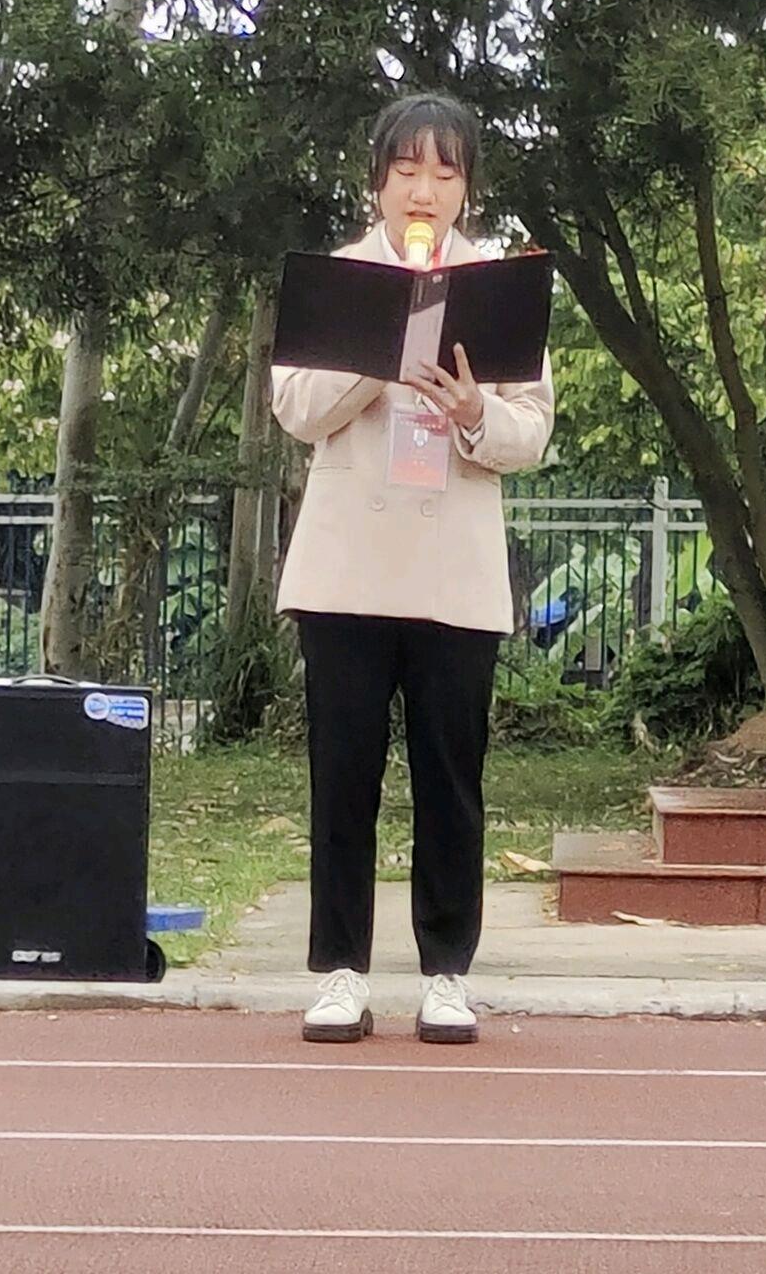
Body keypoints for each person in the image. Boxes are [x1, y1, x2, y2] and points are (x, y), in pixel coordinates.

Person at [271, 93, 554, 1045]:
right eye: (406, 171)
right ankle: (340, 972)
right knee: (342, 778)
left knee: (451, 781)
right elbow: (296, 408)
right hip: (347, 570)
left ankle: (446, 974)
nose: (423, 191)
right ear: (377, 182)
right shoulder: (338, 277)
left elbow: (531, 431)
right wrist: (377, 355)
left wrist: (476, 411)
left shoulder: (498, 287)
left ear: (466, 188)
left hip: (454, 576)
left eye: (443, 172)